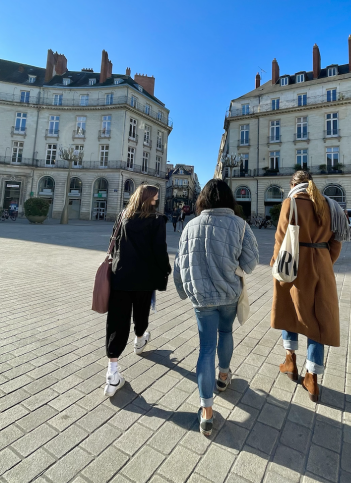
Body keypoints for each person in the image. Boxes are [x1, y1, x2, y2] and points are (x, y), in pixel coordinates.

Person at [174, 179, 259, 436]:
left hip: (202, 298)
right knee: (227, 333)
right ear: (228, 199)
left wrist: (184, 290)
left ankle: (207, 411)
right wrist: (235, 272)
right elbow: (252, 260)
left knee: (205, 348)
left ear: (203, 200)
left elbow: (180, 262)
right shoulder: (240, 225)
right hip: (230, 294)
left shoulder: (190, 225)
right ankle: (224, 376)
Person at [270, 170, 351, 402]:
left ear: (293, 184)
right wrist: (324, 261)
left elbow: (281, 239)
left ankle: (290, 361)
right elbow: (337, 243)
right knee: (319, 319)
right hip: (322, 265)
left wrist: (276, 265)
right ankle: (312, 378)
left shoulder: (291, 203)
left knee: (290, 311)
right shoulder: (330, 205)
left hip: (294, 265)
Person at [104, 184, 171, 397]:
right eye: (155, 199)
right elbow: (159, 250)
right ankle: (140, 339)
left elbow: (112, 244)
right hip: (144, 278)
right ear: (149, 199)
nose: (156, 202)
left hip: (120, 276)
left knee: (117, 321)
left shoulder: (123, 216)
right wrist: (166, 268)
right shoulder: (156, 220)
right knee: (141, 312)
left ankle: (112, 373)